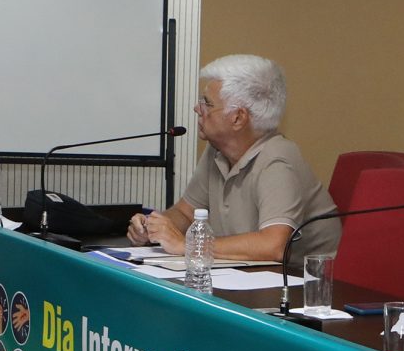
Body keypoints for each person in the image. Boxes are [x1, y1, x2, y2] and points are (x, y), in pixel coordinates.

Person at [126, 54, 340, 264]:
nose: (197, 109)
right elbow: (185, 213)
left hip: (307, 286)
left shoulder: (278, 160)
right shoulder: (217, 151)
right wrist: (156, 229)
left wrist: (188, 245)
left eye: (207, 103)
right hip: (251, 277)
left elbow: (274, 245)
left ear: (237, 118)